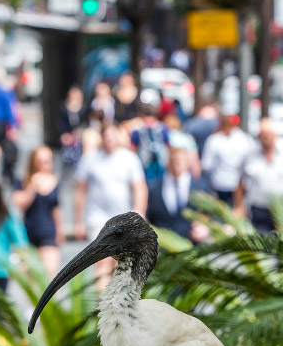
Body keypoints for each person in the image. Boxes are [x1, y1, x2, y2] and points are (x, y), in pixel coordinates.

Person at [73, 123, 148, 288]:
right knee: (101, 261)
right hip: (97, 218)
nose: (109, 140)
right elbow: (80, 191)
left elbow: (140, 187)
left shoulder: (129, 158)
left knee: (122, 264)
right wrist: (78, 221)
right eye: (106, 136)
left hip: (123, 219)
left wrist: (139, 210)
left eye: (112, 136)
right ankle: (102, 304)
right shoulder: (90, 158)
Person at [234, 118, 283, 234]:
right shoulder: (250, 154)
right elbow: (240, 182)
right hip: (260, 211)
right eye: (263, 135)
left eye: (269, 135)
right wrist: (239, 206)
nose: (266, 139)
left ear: (275, 135)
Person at [13, 146, 63, 278]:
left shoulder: (55, 181)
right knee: (31, 279)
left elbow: (56, 209)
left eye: (47, 161)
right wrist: (31, 188)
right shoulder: (24, 181)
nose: (44, 165)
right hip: (28, 234)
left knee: (49, 277)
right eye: (40, 161)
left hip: (48, 233)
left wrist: (59, 231)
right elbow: (18, 203)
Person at [147, 147, 212, 243]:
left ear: (187, 162)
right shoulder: (154, 189)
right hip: (163, 245)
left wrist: (206, 228)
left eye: (180, 161)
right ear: (168, 162)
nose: (176, 164)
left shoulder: (200, 187)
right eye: (173, 160)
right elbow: (148, 216)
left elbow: (212, 213)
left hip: (193, 243)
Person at [201, 114, 253, 207]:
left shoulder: (215, 140)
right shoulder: (243, 138)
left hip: (237, 187)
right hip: (220, 186)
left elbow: (206, 165)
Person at [130, 102, 170, 187]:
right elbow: (169, 148)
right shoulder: (163, 129)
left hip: (143, 170)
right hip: (161, 171)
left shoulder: (137, 131)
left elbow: (132, 151)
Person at [57, 86, 88, 176]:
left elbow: (86, 122)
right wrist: (65, 134)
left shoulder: (85, 108)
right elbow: (61, 123)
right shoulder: (63, 107)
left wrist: (78, 133)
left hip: (79, 136)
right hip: (68, 136)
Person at [163, 113, 201, 178]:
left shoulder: (167, 137)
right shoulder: (187, 137)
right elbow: (194, 156)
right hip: (186, 171)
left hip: (170, 172)